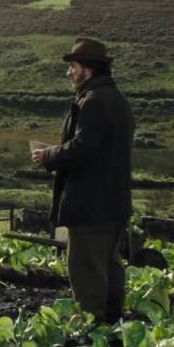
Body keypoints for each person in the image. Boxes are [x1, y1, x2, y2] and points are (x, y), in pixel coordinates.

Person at [31, 37, 134, 324]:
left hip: (91, 203)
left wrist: (49, 155)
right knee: (109, 265)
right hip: (114, 202)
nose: (69, 72)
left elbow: (83, 149)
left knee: (86, 269)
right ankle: (112, 325)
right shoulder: (116, 99)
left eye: (73, 66)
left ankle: (92, 328)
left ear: (87, 70)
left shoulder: (94, 102)